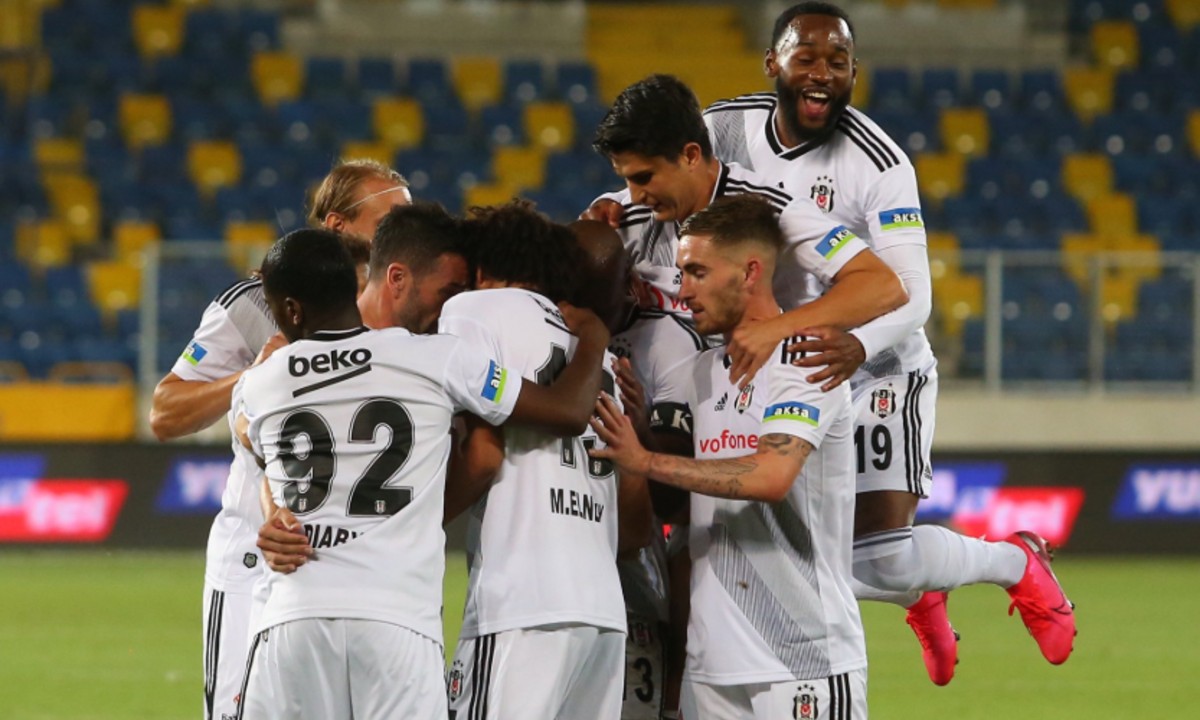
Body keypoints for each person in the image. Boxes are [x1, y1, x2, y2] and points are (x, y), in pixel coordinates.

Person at [701, 1, 1076, 682]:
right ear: (773, 63)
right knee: (789, 552)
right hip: (782, 362)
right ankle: (923, 591)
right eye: (806, 57)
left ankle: (1015, 562)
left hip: (877, 363)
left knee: (882, 557)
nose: (821, 73)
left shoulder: (878, 161)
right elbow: (663, 177)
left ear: (855, 72)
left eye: (837, 61)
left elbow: (914, 295)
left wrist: (858, 345)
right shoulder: (721, 128)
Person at [236, 228, 610, 720]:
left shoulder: (262, 381)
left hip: (292, 615)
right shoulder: (438, 358)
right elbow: (567, 411)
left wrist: (275, 515)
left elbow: (263, 457)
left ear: (290, 310)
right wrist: (595, 337)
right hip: (398, 621)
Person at [147, 158, 410, 720]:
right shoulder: (256, 303)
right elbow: (165, 413)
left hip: (362, 566)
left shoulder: (402, 310)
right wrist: (254, 376)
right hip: (255, 557)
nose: (402, 236)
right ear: (338, 225)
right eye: (389, 221)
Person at [590, 196, 867, 720]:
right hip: (711, 665)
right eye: (681, 273)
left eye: (697, 272)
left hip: (801, 658)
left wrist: (644, 460)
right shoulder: (698, 373)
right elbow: (685, 506)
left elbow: (770, 476)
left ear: (750, 272)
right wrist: (644, 430)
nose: (682, 290)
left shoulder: (807, 358)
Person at [585, 73, 907, 392]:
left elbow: (883, 285)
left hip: (771, 390)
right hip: (668, 403)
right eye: (626, 179)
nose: (634, 195)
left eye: (644, 177)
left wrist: (776, 329)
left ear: (691, 155)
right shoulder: (621, 217)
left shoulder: (773, 213)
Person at [439, 202, 630, 720]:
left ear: (481, 269)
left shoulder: (474, 309)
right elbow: (634, 519)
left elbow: (483, 456)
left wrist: (413, 524)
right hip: (602, 611)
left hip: (522, 601)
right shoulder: (599, 352)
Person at [573, 219, 697, 720]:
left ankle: (670, 703)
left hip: (635, 545)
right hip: (571, 545)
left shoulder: (668, 342)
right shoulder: (546, 329)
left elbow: (676, 503)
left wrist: (641, 430)